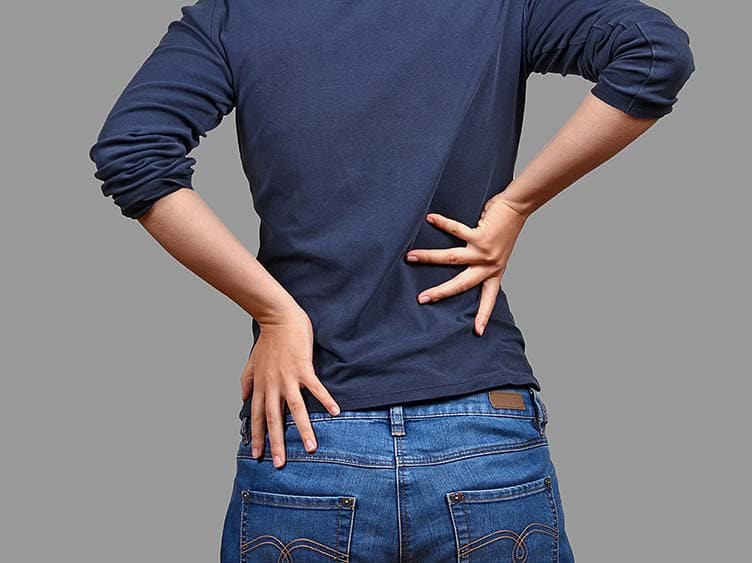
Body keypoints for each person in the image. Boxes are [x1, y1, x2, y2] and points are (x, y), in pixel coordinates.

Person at [88, 0, 694, 560]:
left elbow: (131, 150)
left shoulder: (237, 15)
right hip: (479, 421)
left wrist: (276, 312)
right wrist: (516, 205)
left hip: (310, 423)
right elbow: (652, 51)